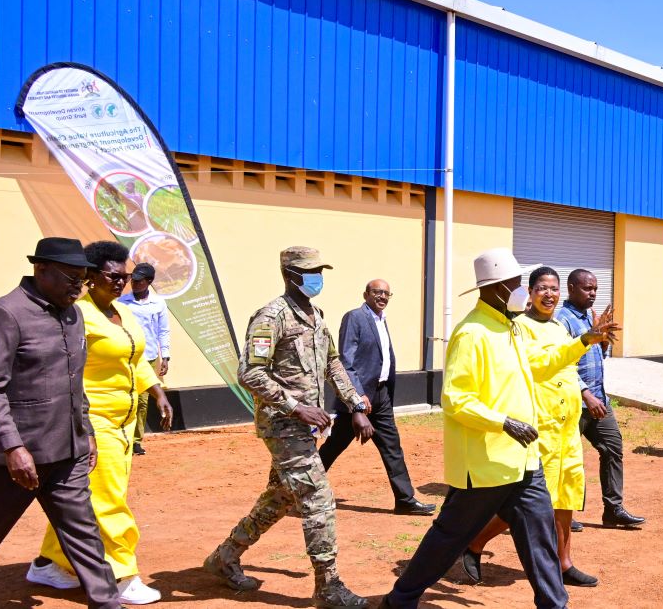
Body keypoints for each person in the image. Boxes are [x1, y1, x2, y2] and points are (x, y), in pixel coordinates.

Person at [378, 248, 618, 609]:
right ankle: (401, 598)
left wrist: (583, 341)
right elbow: (455, 398)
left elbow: (539, 366)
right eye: (514, 284)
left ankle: (555, 604)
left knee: (538, 534)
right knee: (449, 535)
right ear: (494, 287)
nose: (521, 290)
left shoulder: (509, 327)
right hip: (487, 461)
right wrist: (503, 422)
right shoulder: (472, 333)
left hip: (524, 459)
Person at [0, 237, 123, 609]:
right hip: (10, 459)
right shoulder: (6, 314)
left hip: (65, 450)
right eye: (72, 277)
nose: (79, 286)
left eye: (84, 279)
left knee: (85, 536)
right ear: (41, 269)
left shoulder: (72, 313)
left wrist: (84, 432)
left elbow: (75, 382)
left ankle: (107, 603)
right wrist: (13, 446)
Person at [203, 246, 374, 609]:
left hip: (309, 428)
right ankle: (328, 587)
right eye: (311, 272)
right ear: (290, 275)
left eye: (321, 271)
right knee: (318, 498)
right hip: (283, 425)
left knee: (280, 497)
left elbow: (333, 364)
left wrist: (355, 403)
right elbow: (250, 372)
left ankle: (224, 557)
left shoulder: (316, 315)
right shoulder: (271, 316)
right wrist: (297, 408)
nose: (318, 279)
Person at [29, 240, 174, 605]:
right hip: (94, 422)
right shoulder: (77, 314)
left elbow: (135, 359)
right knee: (109, 500)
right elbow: (65, 371)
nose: (122, 282)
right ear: (90, 276)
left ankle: (49, 562)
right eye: (113, 275)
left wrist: (157, 390)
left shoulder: (121, 313)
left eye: (125, 276)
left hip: (125, 422)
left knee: (88, 498)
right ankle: (123, 575)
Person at [462, 266, 597, 588]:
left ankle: (564, 563)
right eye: (541, 288)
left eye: (553, 288)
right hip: (540, 427)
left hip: (567, 428)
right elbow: (538, 368)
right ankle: (474, 542)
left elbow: (568, 370)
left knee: (566, 496)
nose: (549, 294)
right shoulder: (519, 328)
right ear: (530, 293)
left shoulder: (559, 328)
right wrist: (584, 341)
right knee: (529, 502)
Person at [318, 279, 435, 516]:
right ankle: (295, 491)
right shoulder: (355, 317)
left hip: (381, 396)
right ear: (366, 294)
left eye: (386, 293)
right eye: (377, 292)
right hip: (359, 397)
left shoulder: (382, 320)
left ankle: (405, 500)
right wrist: (357, 397)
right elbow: (347, 362)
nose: (382, 296)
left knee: (392, 447)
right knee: (334, 447)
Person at [555, 269, 646, 530]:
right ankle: (563, 514)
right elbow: (562, 364)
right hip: (573, 402)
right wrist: (585, 394)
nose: (593, 293)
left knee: (612, 447)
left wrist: (603, 344)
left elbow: (593, 360)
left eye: (595, 289)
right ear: (571, 288)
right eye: (587, 288)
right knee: (566, 460)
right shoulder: (563, 321)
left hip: (598, 401)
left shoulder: (590, 319)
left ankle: (613, 509)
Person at [118, 262, 171, 456]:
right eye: (133, 279)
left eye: (140, 280)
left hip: (147, 357)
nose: (135, 283)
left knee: (142, 401)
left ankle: (136, 440)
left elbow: (163, 331)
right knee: (125, 397)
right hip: (125, 355)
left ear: (149, 282)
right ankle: (123, 437)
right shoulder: (122, 302)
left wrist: (165, 356)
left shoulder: (158, 303)